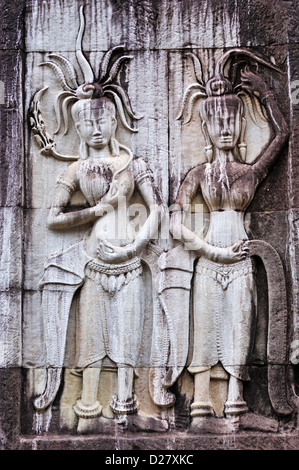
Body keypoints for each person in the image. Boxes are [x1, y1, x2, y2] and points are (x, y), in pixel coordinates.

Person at [171, 64, 289, 419]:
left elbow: (283, 134)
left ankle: (236, 401)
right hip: (208, 259)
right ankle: (202, 403)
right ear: (206, 128)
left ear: (239, 126)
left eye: (231, 121)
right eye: (217, 121)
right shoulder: (198, 174)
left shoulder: (251, 172)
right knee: (204, 329)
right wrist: (208, 249)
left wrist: (265, 92)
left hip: (239, 258)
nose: (225, 128)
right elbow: (174, 222)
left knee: (239, 327)